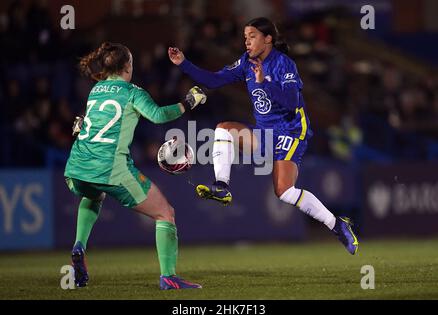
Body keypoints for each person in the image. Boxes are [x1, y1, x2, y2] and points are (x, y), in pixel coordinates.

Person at [168, 17, 359, 254]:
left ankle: (336, 224)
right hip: (265, 132)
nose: (246, 42)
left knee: (284, 191)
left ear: (268, 39)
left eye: (252, 36)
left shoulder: (283, 64)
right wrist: (183, 63)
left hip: (291, 131)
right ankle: (222, 187)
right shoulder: (246, 62)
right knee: (223, 129)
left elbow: (292, 102)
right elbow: (215, 80)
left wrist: (264, 83)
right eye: (245, 37)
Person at [65, 42, 206, 290]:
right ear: (128, 66)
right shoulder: (132, 92)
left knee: (93, 193)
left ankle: (79, 245)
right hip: (110, 167)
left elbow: (85, 124)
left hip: (75, 167)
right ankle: (169, 277)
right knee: (165, 213)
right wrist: (188, 102)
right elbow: (159, 116)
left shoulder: (96, 90)